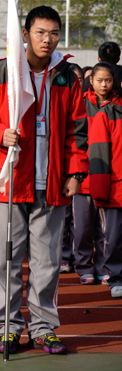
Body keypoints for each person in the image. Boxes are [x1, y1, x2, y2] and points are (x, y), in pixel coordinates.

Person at [0, 6, 88, 355]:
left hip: (51, 184)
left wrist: (75, 172)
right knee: (4, 259)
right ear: (24, 34)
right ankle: (7, 326)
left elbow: (77, 130)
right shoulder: (2, 72)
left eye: (53, 33)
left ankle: (43, 327)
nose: (47, 39)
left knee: (47, 262)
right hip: (9, 184)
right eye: (40, 32)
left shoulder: (67, 77)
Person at [73, 63, 115, 285]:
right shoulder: (81, 104)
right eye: (99, 80)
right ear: (91, 81)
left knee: (104, 230)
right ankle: (83, 266)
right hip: (84, 177)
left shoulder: (116, 105)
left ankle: (102, 265)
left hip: (107, 177)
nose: (104, 85)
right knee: (82, 228)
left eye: (108, 80)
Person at [88, 65, 122, 299]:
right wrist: (100, 191)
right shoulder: (107, 113)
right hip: (115, 188)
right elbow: (99, 154)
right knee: (114, 236)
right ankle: (117, 277)